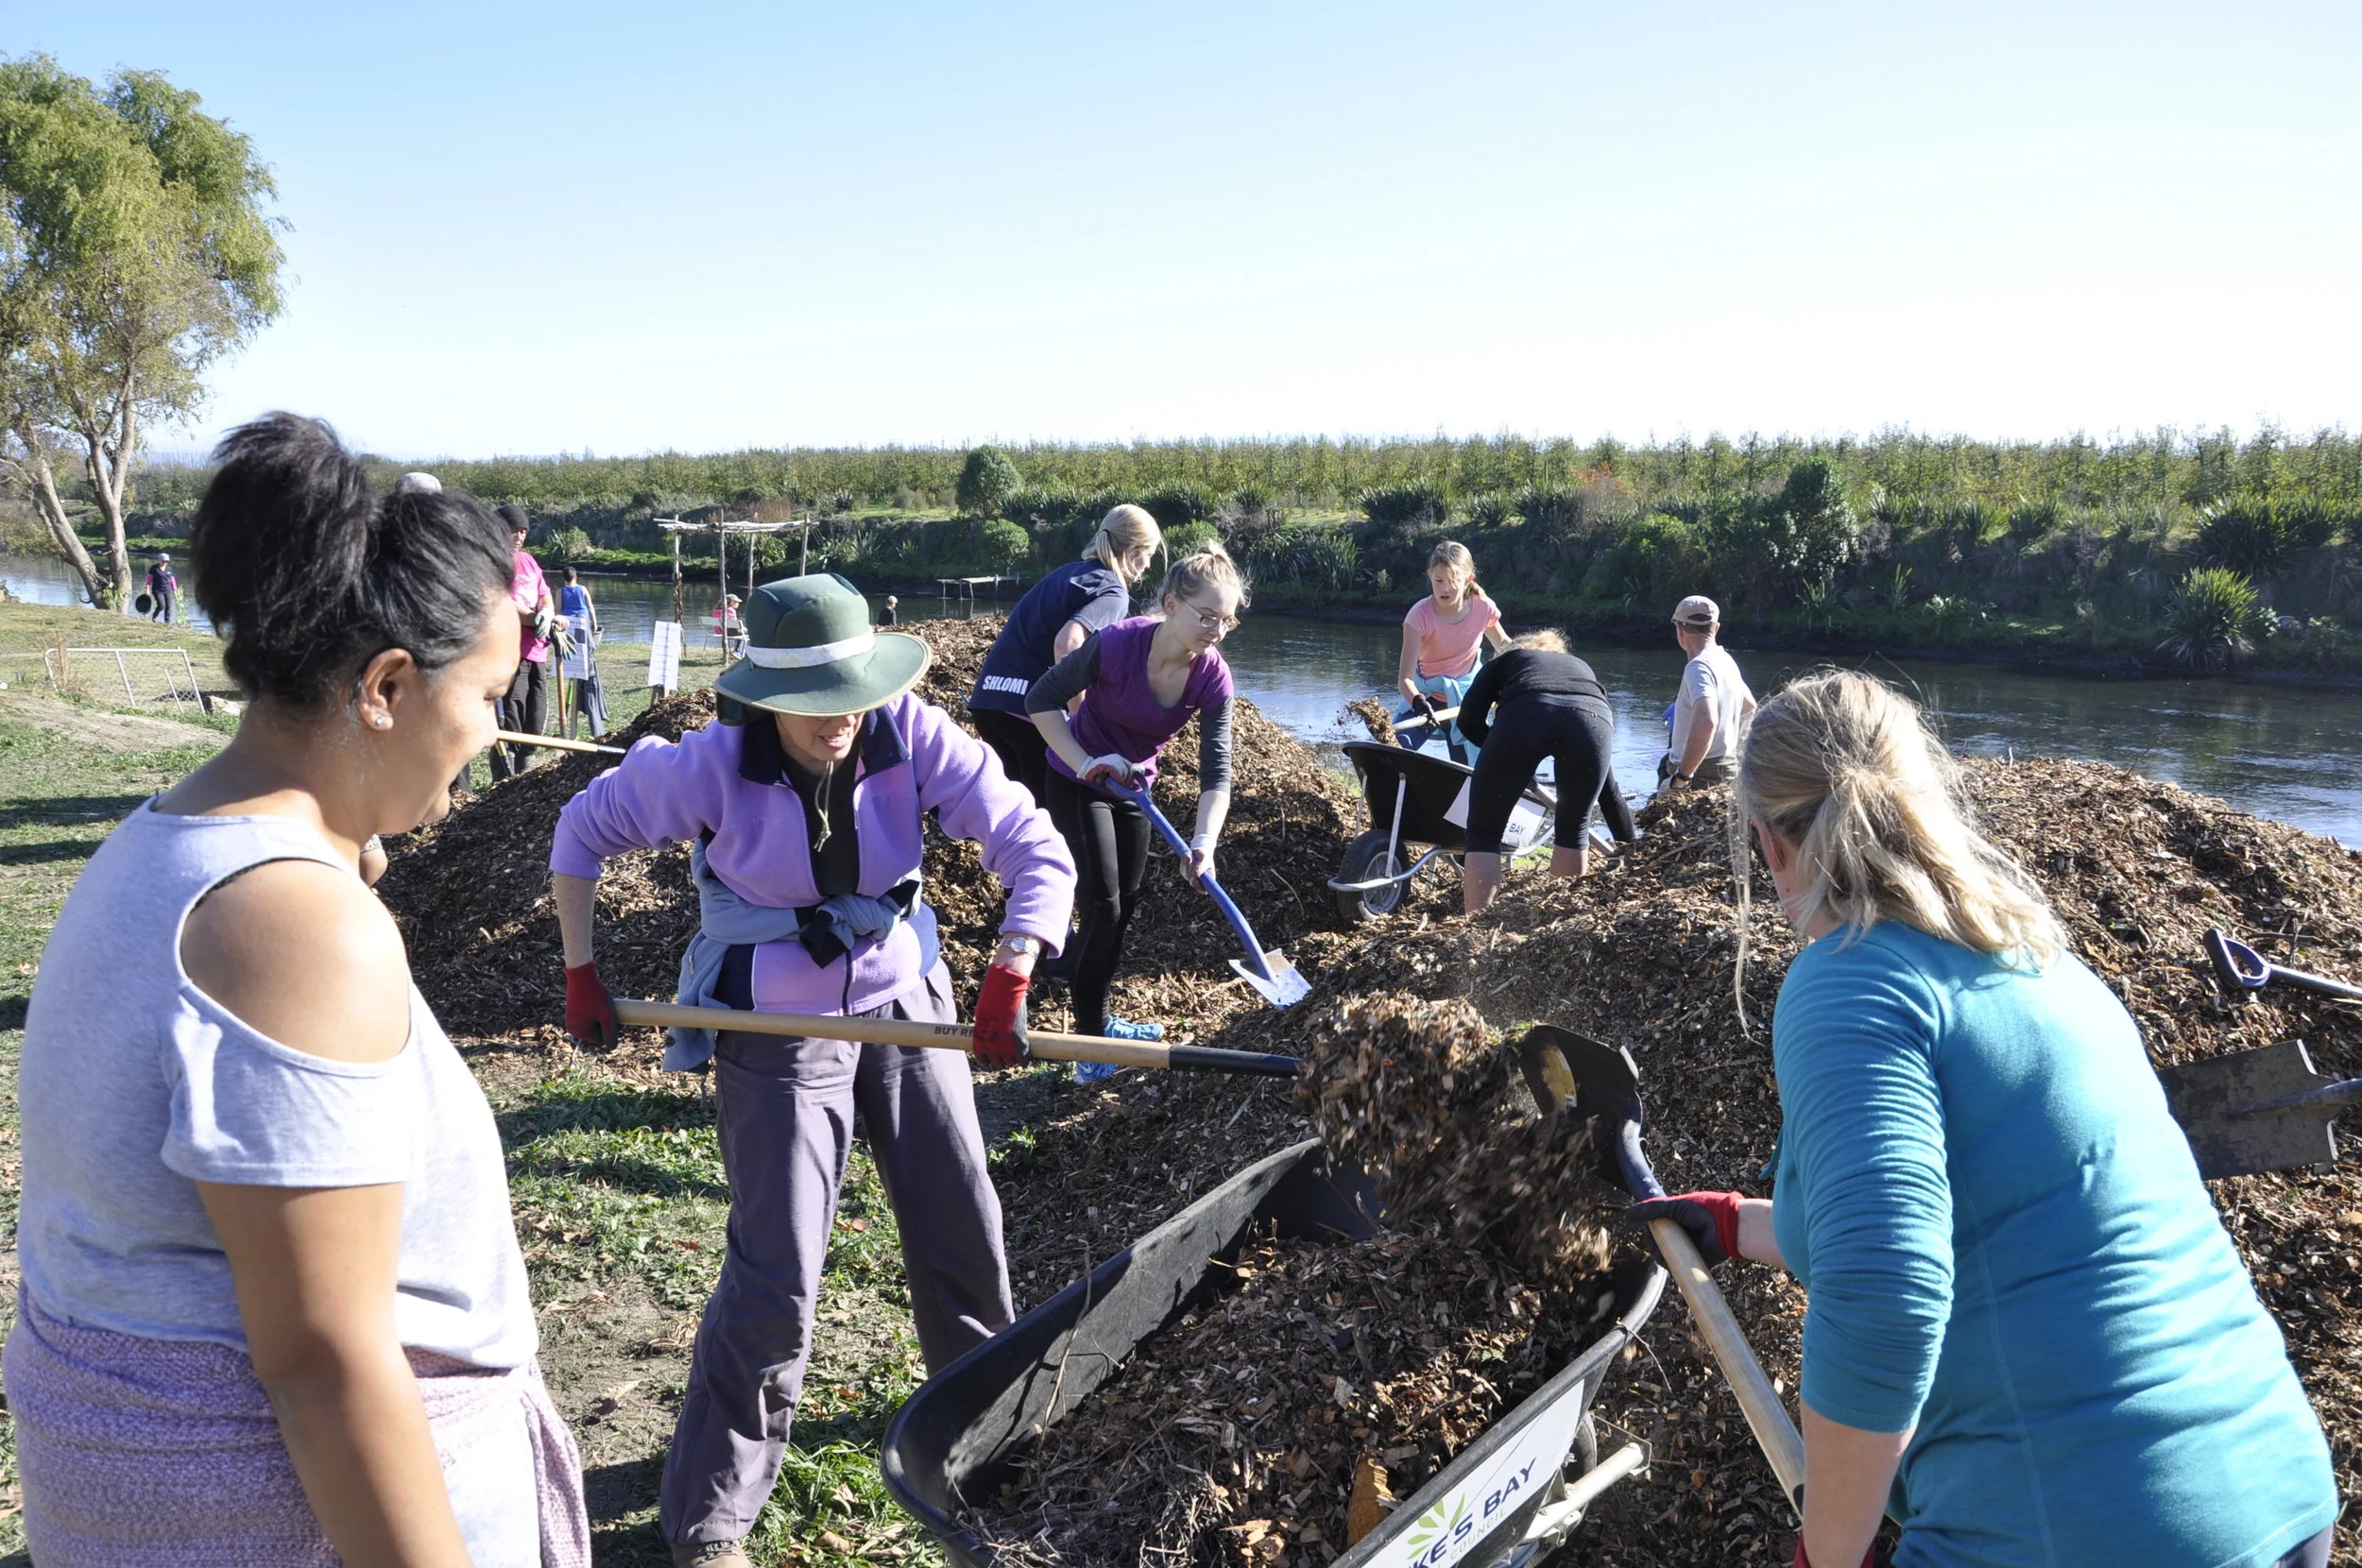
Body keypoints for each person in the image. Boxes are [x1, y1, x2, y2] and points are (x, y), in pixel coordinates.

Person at [6, 413, 590, 1567]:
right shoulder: (296, 926)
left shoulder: (175, 836)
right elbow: (324, 1361)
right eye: (482, 697)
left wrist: (332, 855)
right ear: (384, 685)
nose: (485, 735)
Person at [1632, 671, 2336, 1568]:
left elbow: (1886, 1291)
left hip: (2082, 1529)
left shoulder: (1848, 980)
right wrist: (1737, 1225)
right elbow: (1991, 1218)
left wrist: (1831, 1554)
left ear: (1768, 845)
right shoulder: (2043, 962)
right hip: (2276, 1490)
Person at [550, 573, 1074, 1568]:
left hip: (909, 1000)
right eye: (815, 706)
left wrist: (1012, 964)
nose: (841, 722)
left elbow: (1031, 841)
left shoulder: (911, 733)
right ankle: (708, 1519)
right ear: (765, 698)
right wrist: (581, 966)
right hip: (777, 1022)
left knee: (961, 1224)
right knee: (777, 1270)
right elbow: (580, 833)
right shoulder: (705, 766)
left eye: (854, 698)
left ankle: (992, 1453)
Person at [1026, 543, 1241, 1047]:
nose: (1215, 631)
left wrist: (1204, 842)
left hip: (1135, 789)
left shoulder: (1213, 677)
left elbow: (1217, 776)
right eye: (1206, 616)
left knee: (1124, 905)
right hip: (1077, 776)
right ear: (1170, 604)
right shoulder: (1116, 644)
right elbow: (1042, 699)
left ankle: (1095, 1018)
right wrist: (1087, 762)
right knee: (1102, 905)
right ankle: (1089, 1044)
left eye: (1226, 621)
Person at [969, 503, 1161, 807]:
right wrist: (1081, 722)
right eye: (1149, 554)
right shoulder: (1113, 590)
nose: (1148, 565)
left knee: (1015, 815)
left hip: (988, 702)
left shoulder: (1067, 574)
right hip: (1029, 714)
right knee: (1048, 820)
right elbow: (1068, 643)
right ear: (1134, 550)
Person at [1452, 629, 1636, 913]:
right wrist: (1634, 851)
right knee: (1574, 827)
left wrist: (1505, 763)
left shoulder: (1509, 660)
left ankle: (1474, 929)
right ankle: (1559, 926)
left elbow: (1467, 721)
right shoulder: (1581, 669)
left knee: (1484, 832)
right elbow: (1609, 793)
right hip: (1593, 718)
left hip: (1526, 713)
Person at [1396, 540, 1509, 764]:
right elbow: (1405, 679)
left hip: (1468, 702)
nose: (1444, 588)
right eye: (1438, 580)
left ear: (1468, 580)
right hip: (1427, 698)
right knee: (1394, 748)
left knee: (1465, 770)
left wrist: (1529, 670)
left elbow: (1505, 647)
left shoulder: (1482, 607)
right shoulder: (1418, 616)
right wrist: (1418, 702)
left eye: (1453, 581)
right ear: (1429, 575)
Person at [1662, 594, 1754, 790]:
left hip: (1698, 775)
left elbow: (1707, 723)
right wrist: (1732, 749)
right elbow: (1750, 707)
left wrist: (1681, 778)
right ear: (1716, 628)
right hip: (1727, 768)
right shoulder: (1726, 660)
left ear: (1679, 629)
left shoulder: (1698, 667)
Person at [492, 503, 555, 778]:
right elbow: (502, 603)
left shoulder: (529, 561)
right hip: (509, 654)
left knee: (535, 718)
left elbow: (544, 594)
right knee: (509, 721)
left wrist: (548, 612)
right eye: (512, 531)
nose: (518, 536)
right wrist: (534, 618)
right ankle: (502, 779)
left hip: (536, 653)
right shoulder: (492, 562)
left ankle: (524, 774)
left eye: (522, 531)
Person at [557, 565, 608, 738]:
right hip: (583, 623)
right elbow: (591, 607)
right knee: (586, 653)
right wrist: (594, 623)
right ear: (576, 577)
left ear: (563, 578)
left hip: (569, 624)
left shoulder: (560, 591)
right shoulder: (583, 589)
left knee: (574, 654)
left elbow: (557, 610)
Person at [145, 552, 178, 622]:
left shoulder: (169, 569)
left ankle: (167, 623)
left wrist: (174, 590)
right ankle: (154, 616)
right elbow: (149, 579)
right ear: (159, 560)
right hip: (157, 590)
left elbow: (172, 580)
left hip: (168, 590)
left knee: (169, 607)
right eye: (163, 561)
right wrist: (147, 588)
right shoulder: (154, 568)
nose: (164, 563)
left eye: (166, 561)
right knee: (162, 606)